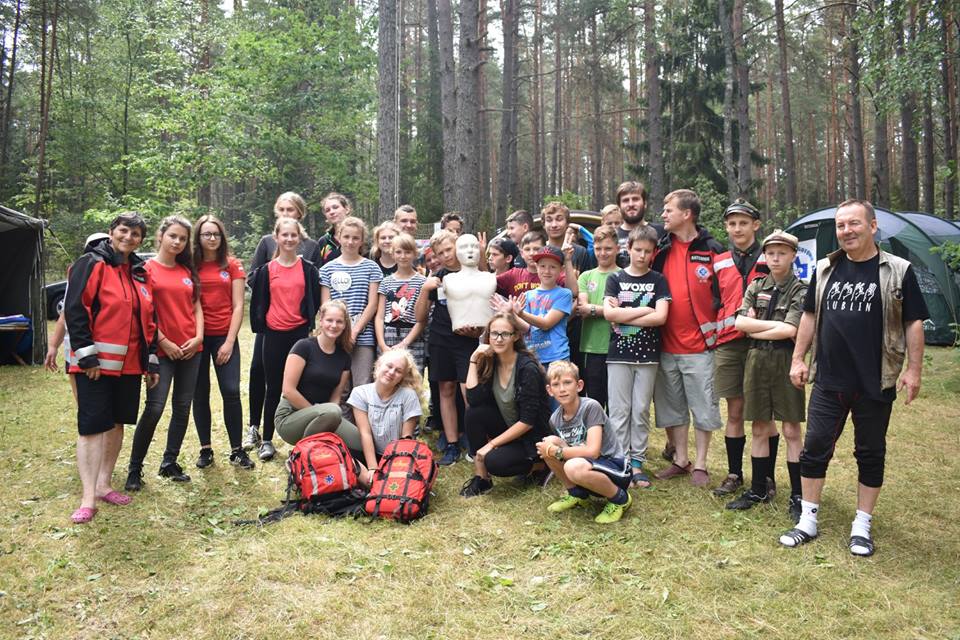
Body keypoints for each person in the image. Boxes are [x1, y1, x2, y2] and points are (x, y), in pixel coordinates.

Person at [780, 200, 927, 557]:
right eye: (841, 225)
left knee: (870, 452)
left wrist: (914, 370)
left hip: (875, 379)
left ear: (873, 226)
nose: (846, 231)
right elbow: (809, 316)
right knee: (815, 447)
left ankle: (862, 525)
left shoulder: (899, 270)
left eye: (854, 223)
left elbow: (913, 321)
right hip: (830, 378)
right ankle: (808, 521)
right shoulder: (825, 268)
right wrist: (798, 358)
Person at [64, 212, 159, 523]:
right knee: (92, 427)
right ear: (111, 232)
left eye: (135, 234)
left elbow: (150, 320)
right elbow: (75, 309)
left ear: (141, 240)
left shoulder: (140, 273)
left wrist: (151, 360)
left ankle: (104, 485)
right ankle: (88, 499)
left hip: (130, 366)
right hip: (95, 366)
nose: (128, 237)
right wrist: (87, 357)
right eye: (123, 230)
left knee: (117, 424)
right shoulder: (91, 263)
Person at [726, 230, 806, 518]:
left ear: (793, 255)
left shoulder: (800, 290)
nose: (775, 258)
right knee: (759, 426)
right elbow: (739, 324)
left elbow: (792, 329)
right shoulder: (757, 285)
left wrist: (756, 326)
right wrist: (774, 328)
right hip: (757, 360)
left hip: (785, 360)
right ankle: (758, 488)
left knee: (791, 429)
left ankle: (799, 494)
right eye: (771, 253)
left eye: (782, 253)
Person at [651, 189, 724, 487]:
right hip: (665, 345)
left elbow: (727, 293)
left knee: (704, 408)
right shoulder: (661, 249)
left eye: (668, 210)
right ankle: (681, 460)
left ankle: (702, 464)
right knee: (673, 407)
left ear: (687, 214)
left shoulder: (713, 249)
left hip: (701, 347)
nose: (663, 215)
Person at [126, 215, 204, 490]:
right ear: (160, 236)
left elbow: (196, 307)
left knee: (182, 406)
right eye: (173, 236)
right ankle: (135, 468)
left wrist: (198, 337)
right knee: (155, 407)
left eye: (183, 239)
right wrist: (164, 341)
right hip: (160, 350)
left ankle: (169, 462)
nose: (177, 242)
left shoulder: (186, 271)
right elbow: (142, 312)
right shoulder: (145, 269)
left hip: (191, 349)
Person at [244, 192, 319, 453]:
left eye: (293, 235)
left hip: (299, 332)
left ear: (299, 235)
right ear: (276, 237)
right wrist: (263, 322)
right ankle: (264, 437)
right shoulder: (266, 267)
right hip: (272, 333)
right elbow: (257, 292)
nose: (288, 238)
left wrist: (312, 325)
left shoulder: (309, 264)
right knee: (270, 383)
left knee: (299, 383)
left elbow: (314, 296)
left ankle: (304, 437)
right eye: (284, 235)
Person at [711, 199, 773, 499]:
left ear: (755, 225)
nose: (738, 229)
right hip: (729, 343)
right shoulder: (720, 261)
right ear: (726, 227)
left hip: (764, 342)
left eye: (744, 223)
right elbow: (715, 301)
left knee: (764, 412)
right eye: (732, 223)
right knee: (735, 411)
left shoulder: (771, 256)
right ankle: (734, 473)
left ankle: (767, 476)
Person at [604, 225, 671, 487]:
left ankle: (637, 463)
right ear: (629, 248)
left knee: (641, 410)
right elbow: (609, 314)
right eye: (638, 250)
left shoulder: (658, 280)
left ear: (653, 253)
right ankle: (621, 462)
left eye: (648, 251)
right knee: (619, 410)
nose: (642, 255)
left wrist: (625, 315)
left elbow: (661, 317)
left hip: (648, 356)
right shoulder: (615, 279)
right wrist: (646, 311)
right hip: (619, 355)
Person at [459, 313, 552, 496]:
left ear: (515, 336)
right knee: (473, 413)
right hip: (508, 426)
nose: (499, 339)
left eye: (505, 334)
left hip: (531, 436)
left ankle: (541, 466)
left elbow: (528, 421)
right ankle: (482, 479)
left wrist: (491, 445)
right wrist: (473, 359)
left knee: (495, 462)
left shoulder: (527, 368)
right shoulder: (491, 361)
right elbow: (473, 399)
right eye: (494, 334)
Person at [191, 215, 254, 470]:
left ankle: (237, 450)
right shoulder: (190, 265)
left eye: (216, 234)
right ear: (198, 237)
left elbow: (238, 306)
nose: (212, 238)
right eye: (207, 234)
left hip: (223, 336)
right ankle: (205, 449)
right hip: (196, 336)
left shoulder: (232, 265)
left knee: (230, 391)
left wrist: (229, 342)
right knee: (199, 393)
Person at [537, 361, 633, 524]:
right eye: (556, 385)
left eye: (567, 382)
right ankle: (577, 494)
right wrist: (551, 449)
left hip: (615, 468)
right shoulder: (555, 419)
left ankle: (620, 499)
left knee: (568, 463)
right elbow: (567, 450)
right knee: (548, 442)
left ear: (579, 385)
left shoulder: (590, 407)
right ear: (550, 390)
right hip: (585, 467)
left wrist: (556, 451)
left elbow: (592, 452)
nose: (562, 389)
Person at [415, 229, 480, 466]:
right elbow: (420, 317)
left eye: (449, 249)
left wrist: (478, 330)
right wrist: (425, 288)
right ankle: (452, 444)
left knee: (469, 391)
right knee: (446, 390)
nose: (446, 255)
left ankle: (475, 440)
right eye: (440, 253)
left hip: (466, 341)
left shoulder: (473, 272)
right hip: (440, 339)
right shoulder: (437, 278)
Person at [274, 300, 359, 450]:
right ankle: (299, 456)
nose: (334, 325)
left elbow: (335, 398)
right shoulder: (303, 347)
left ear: (345, 325)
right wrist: (318, 412)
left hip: (327, 415)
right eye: (329, 320)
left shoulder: (344, 357)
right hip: (291, 416)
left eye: (339, 321)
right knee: (333, 411)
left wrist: (324, 415)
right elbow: (288, 390)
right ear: (321, 321)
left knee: (361, 443)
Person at [320, 216, 382, 388]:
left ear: (362, 240)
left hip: (363, 337)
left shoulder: (371, 267)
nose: (350, 242)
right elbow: (325, 305)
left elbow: (373, 304)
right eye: (346, 237)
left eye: (355, 238)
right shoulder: (327, 270)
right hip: (335, 335)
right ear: (339, 237)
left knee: (362, 385)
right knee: (339, 386)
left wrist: (354, 332)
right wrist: (339, 332)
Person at [347, 348, 424, 471]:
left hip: (397, 455)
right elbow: (365, 433)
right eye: (389, 366)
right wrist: (373, 468)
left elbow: (406, 438)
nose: (391, 372)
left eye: (398, 371)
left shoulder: (409, 396)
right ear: (378, 365)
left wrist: (397, 467)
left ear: (402, 377)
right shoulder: (360, 393)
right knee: (347, 462)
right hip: (368, 452)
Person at [504, 245, 573, 370]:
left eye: (552, 267)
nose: (547, 271)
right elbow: (526, 327)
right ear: (536, 267)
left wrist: (521, 314)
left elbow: (546, 324)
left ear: (561, 269)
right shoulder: (527, 295)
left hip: (557, 358)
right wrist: (511, 313)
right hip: (532, 358)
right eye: (542, 266)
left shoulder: (564, 294)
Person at [573, 225, 619, 408]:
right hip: (591, 348)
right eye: (598, 248)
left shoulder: (624, 276)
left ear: (617, 248)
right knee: (594, 401)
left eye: (608, 248)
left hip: (617, 347)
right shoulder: (586, 276)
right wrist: (610, 312)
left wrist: (594, 310)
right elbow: (582, 308)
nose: (603, 253)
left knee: (615, 402)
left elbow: (624, 313)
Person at [375, 232, 427, 372]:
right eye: (399, 252)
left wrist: (405, 342)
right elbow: (380, 316)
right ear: (392, 254)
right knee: (387, 375)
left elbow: (422, 319)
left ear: (415, 254)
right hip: (389, 335)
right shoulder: (386, 282)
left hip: (413, 336)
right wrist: (382, 344)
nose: (403, 256)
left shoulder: (422, 282)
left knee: (412, 376)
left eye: (407, 252)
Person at [541, 201, 595, 274]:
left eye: (559, 219)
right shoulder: (538, 250)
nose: (554, 225)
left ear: (567, 223)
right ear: (544, 224)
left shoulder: (581, 252)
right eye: (549, 220)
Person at [315, 192, 351, 266]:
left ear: (347, 209)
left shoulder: (359, 236)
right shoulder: (323, 242)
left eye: (335, 207)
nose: (331, 212)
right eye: (327, 210)